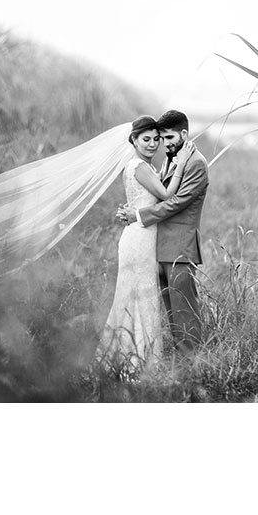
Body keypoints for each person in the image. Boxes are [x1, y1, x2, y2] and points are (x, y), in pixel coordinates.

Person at [96, 116, 195, 374]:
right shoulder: (138, 166)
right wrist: (182, 162)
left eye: (156, 139)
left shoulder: (148, 167)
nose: (152, 144)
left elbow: (148, 197)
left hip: (143, 235)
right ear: (134, 141)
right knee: (139, 298)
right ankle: (138, 362)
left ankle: (135, 358)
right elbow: (166, 195)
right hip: (139, 239)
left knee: (141, 298)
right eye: (146, 140)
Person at [117, 109, 209, 351]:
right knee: (172, 311)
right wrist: (133, 208)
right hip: (158, 246)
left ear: (184, 134)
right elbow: (155, 196)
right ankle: (181, 362)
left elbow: (176, 203)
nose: (163, 144)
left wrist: (137, 215)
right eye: (160, 138)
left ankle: (192, 365)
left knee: (184, 311)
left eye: (167, 138)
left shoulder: (196, 163)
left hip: (179, 247)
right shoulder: (172, 158)